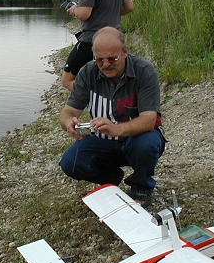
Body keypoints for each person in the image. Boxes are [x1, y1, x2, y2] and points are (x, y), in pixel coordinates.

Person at [59, 27, 165, 207]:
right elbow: (67, 113)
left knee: (147, 144)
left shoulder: (144, 71)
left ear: (125, 52)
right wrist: (69, 123)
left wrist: (116, 129)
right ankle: (110, 178)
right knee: (70, 163)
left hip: (136, 139)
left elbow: (149, 120)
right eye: (100, 60)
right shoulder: (87, 72)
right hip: (102, 141)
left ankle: (142, 187)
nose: (106, 64)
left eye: (112, 59)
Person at [62, 0, 134, 92]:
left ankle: (92, 100)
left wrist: (74, 9)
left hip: (91, 41)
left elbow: (84, 14)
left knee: (67, 79)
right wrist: (108, 12)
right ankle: (105, 100)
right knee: (104, 75)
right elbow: (129, 7)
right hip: (114, 39)